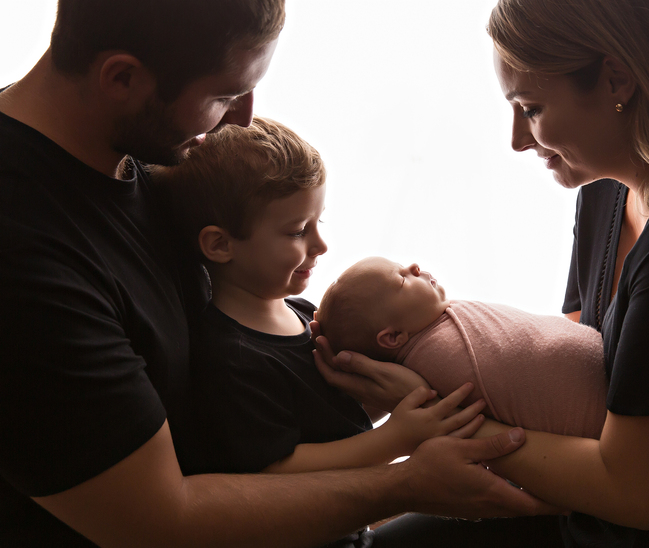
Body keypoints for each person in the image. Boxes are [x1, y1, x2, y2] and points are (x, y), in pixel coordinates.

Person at [0, 1, 554, 546]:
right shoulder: (28, 260)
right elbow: (153, 521)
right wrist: (404, 482)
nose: (240, 119)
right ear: (121, 78)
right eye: (222, 95)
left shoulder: (141, 156)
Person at [313, 0, 649, 546]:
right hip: (582, 508)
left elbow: (636, 495)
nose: (518, 140)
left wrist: (438, 416)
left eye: (530, 108)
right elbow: (571, 369)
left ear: (616, 80)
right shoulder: (606, 190)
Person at [152, 117, 485, 478]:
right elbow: (276, 468)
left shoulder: (304, 315)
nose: (321, 245)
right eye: (297, 231)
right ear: (220, 245)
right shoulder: (231, 359)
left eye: (318, 223)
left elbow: (332, 423)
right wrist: (397, 439)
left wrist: (391, 402)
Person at [317, 256, 606, 439]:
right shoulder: (430, 371)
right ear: (393, 337)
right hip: (598, 424)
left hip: (610, 379)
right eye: (402, 278)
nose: (415, 266)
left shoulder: (434, 321)